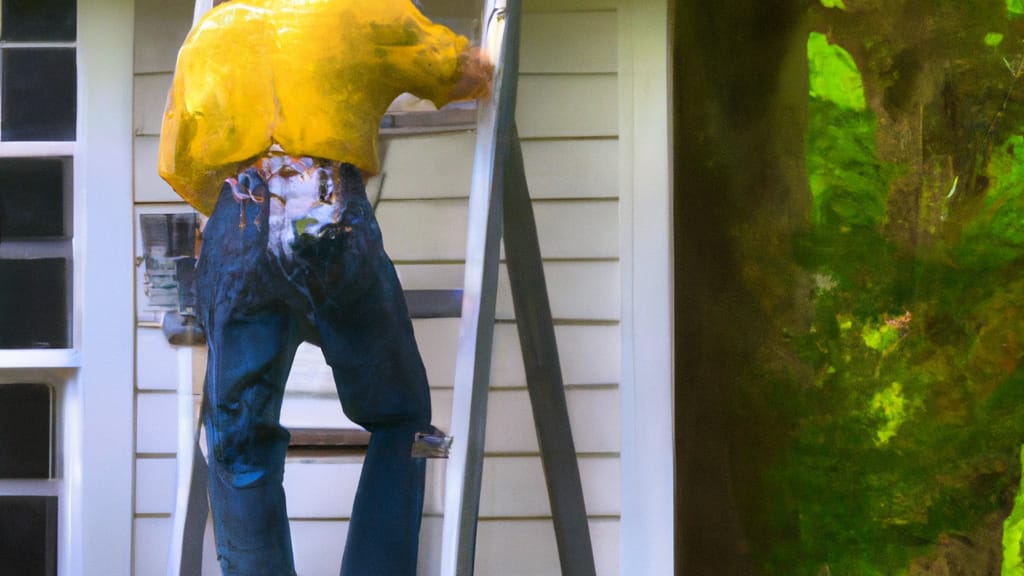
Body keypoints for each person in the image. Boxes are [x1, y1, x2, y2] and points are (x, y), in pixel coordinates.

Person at [158, 1, 492, 574]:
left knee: (239, 438)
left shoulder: (211, 31)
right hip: (327, 214)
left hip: (236, 218)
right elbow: (463, 71)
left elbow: (179, 164)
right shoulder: (362, 10)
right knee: (399, 415)